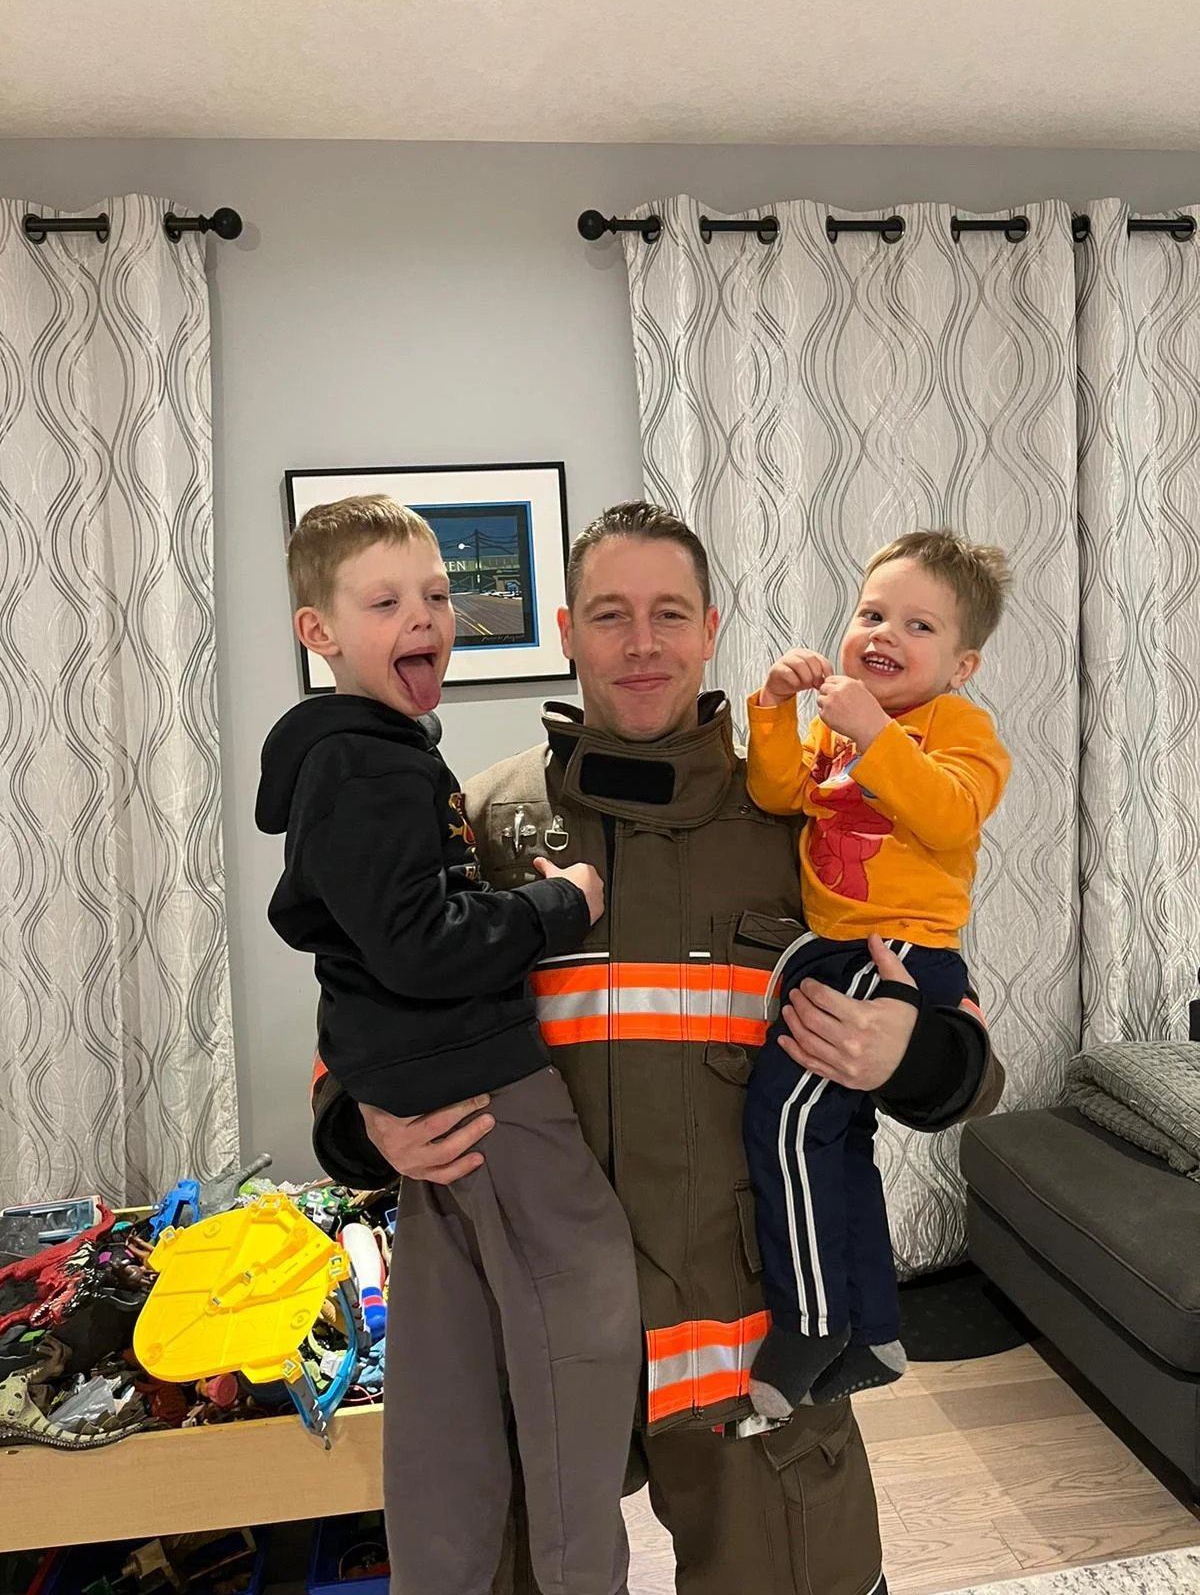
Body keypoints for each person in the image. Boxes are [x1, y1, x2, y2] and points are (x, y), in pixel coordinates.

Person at [310, 502, 1006, 1595]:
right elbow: (353, 1025)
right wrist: (368, 1124)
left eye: (670, 614)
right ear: (567, 632)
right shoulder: (471, 823)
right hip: (528, 1333)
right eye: (610, 615)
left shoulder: (812, 823)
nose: (642, 644)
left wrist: (907, 1050)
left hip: (746, 1344)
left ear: (711, 628)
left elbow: (966, 1061)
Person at [255, 495, 642, 1595]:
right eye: (385, 602)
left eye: (435, 594)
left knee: (448, 1394)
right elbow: (419, 944)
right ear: (319, 631)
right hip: (486, 1091)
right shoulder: (372, 764)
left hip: (440, 1101)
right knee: (580, 1333)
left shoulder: (357, 757)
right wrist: (559, 905)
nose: (423, 617)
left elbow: (373, 948)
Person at [742, 531, 1012, 1421]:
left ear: (962, 665)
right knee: (836, 1135)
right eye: (871, 613)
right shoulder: (834, 725)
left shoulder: (959, 729)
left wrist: (874, 730)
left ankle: (812, 1322)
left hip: (897, 952)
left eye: (919, 625)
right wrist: (775, 709)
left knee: (786, 1120)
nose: (884, 633)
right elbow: (780, 793)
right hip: (838, 947)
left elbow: (950, 815)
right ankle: (874, 1329)